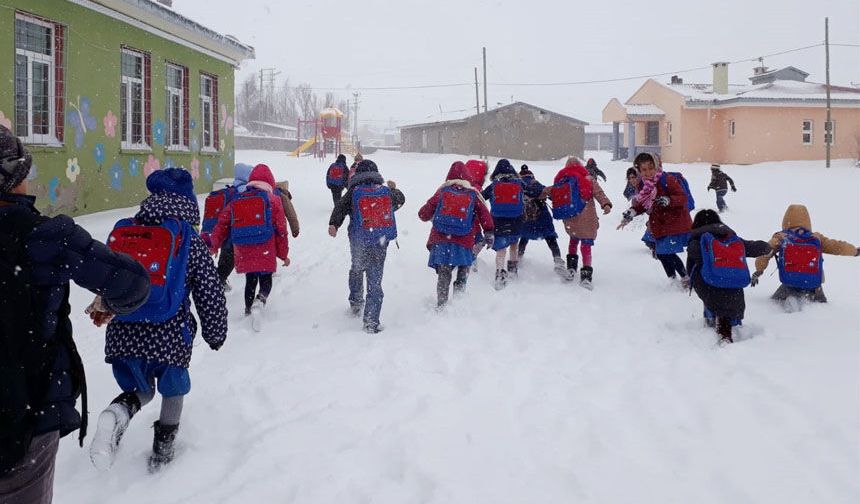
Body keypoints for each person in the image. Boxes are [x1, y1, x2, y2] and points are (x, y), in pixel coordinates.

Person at [0, 126, 150, 502]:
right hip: (27, 416)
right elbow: (132, 283)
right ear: (14, 177)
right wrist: (108, 303)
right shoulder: (47, 238)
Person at [89, 168, 227, 474]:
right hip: (169, 332)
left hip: (123, 327)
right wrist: (215, 333)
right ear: (187, 202)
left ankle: (118, 410)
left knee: (141, 389)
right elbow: (209, 290)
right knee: (172, 388)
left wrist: (104, 306)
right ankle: (162, 454)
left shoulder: (128, 228)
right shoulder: (188, 238)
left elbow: (108, 276)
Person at [329, 159, 405, 333]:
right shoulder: (385, 192)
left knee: (357, 268)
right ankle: (371, 321)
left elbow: (339, 207)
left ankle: (356, 301)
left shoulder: (353, 191)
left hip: (359, 240)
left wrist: (334, 224)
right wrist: (394, 189)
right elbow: (401, 200)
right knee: (375, 279)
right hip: (380, 241)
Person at [209, 164, 289, 318]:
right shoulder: (274, 200)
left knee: (250, 279)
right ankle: (261, 299)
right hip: (266, 246)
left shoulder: (238, 199)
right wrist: (283, 254)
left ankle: (247, 310)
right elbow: (281, 231)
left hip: (243, 247)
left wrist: (213, 245)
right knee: (266, 278)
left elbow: (222, 224)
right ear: (270, 182)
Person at [685, 209, 770, 345]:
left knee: (712, 299)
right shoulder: (729, 238)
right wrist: (766, 247)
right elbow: (751, 247)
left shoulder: (697, 240)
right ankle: (733, 327)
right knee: (730, 305)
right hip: (733, 282)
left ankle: (713, 324)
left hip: (710, 283)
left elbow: (692, 266)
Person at [418, 161, 494, 307]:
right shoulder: (472, 193)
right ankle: (459, 301)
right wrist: (489, 232)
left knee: (444, 273)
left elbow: (423, 214)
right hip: (464, 241)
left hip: (441, 240)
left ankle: (442, 304)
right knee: (463, 269)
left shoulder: (442, 192)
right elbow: (485, 215)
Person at [752, 204, 859, 306]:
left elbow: (765, 253)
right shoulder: (816, 238)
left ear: (785, 221)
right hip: (814, 284)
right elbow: (837, 247)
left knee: (773, 304)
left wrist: (759, 270)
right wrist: (854, 251)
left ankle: (786, 307)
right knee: (823, 308)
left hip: (789, 281)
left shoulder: (781, 237)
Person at [618, 152, 692, 284]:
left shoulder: (667, 179)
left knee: (664, 252)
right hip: (659, 224)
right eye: (644, 169)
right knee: (662, 253)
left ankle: (685, 277)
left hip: (673, 222)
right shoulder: (644, 185)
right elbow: (643, 204)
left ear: (657, 166)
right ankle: (673, 279)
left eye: (651, 168)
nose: (648, 172)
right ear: (639, 170)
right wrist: (632, 212)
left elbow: (682, 197)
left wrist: (668, 200)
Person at [554, 157, 612, 288]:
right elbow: (599, 192)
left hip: (571, 216)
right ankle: (586, 275)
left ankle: (571, 269)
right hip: (587, 217)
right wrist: (606, 204)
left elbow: (553, 191)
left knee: (573, 241)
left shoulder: (563, 178)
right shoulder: (589, 178)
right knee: (586, 246)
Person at [207, 163, 253, 291]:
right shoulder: (244, 190)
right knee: (230, 260)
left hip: (225, 231)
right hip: (236, 232)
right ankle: (217, 282)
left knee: (226, 257)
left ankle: (219, 280)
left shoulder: (232, 189)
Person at [482, 159, 527, 290]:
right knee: (514, 243)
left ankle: (499, 272)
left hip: (498, 220)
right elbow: (530, 191)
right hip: (516, 219)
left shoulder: (493, 185)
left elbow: (482, 197)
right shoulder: (519, 183)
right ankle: (513, 268)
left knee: (501, 248)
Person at [517, 165, 564, 276]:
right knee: (550, 237)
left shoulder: (518, 185)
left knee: (523, 236)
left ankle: (518, 258)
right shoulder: (537, 184)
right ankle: (557, 260)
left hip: (526, 219)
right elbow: (552, 196)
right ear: (532, 176)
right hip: (542, 218)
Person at [623, 166, 657, 256]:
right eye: (629, 178)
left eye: (634, 177)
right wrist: (629, 215)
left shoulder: (647, 187)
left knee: (651, 240)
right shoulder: (638, 189)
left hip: (660, 217)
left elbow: (650, 204)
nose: (631, 180)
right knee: (649, 240)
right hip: (654, 217)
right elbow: (638, 206)